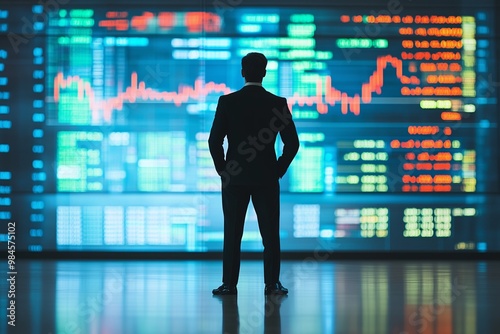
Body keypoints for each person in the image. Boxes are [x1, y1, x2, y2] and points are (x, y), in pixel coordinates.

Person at [208, 52, 299, 295]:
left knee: (232, 233)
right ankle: (272, 284)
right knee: (270, 234)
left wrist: (223, 171)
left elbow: (214, 141)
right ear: (265, 73)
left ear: (242, 72)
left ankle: (229, 285)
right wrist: (277, 170)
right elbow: (292, 144)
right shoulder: (277, 103)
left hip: (234, 178)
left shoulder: (227, 102)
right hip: (266, 179)